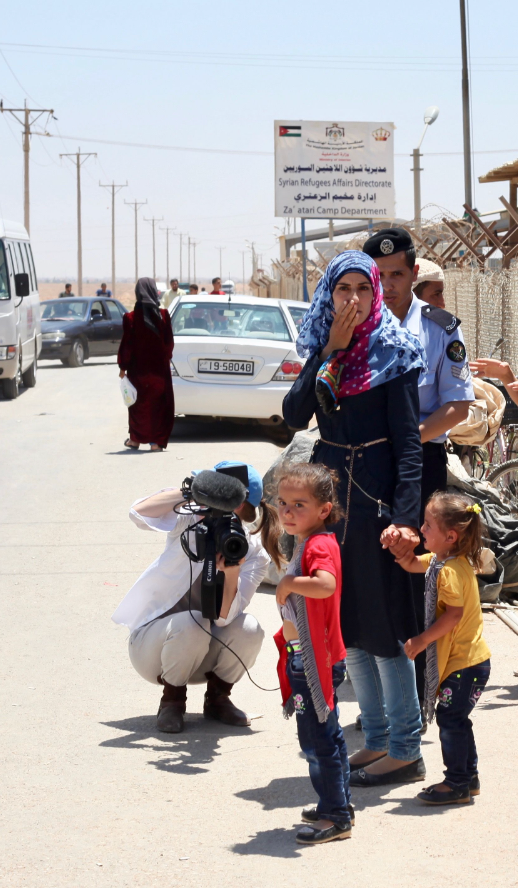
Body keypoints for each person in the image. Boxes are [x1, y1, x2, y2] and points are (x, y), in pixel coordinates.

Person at [283, 250, 428, 787]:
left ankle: (407, 747)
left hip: (376, 506)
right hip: (331, 505)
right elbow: (294, 417)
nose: (353, 300)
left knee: (385, 626)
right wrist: (330, 351)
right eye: (343, 289)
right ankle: (378, 738)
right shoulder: (325, 350)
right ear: (329, 294)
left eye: (362, 290)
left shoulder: (396, 352)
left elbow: (410, 446)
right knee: (348, 626)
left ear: (375, 295)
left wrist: (407, 519)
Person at [363, 228, 474, 709]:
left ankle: (419, 687)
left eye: (396, 275)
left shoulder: (441, 327)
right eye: (378, 276)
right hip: (365, 464)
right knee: (370, 569)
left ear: (412, 274)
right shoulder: (351, 325)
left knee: (416, 574)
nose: (386, 285)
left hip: (421, 461)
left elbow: (458, 407)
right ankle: (377, 684)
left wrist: (406, 438)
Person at [112, 462, 282, 733]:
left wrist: (232, 572)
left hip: (202, 654)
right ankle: (172, 701)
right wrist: (191, 492)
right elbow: (137, 513)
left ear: (243, 508)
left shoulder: (250, 552)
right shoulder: (188, 520)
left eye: (232, 504)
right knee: (194, 623)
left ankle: (218, 699)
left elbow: (225, 620)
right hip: (152, 651)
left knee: (250, 628)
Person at [396, 493, 491, 806]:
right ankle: (469, 777)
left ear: (451, 536)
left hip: (465, 665)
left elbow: (453, 615)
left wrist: (422, 640)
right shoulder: (443, 561)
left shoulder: (449, 571)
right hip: (469, 663)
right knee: (457, 720)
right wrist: (401, 549)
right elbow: (412, 563)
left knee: (451, 720)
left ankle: (457, 782)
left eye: (427, 525)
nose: (422, 529)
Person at [274, 463, 351, 845]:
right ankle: (337, 804)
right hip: (307, 655)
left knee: (318, 741)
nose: (288, 512)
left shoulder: (319, 544)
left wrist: (288, 582)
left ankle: (336, 816)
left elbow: (325, 585)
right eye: (283, 503)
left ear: (324, 510)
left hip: (314, 660)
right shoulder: (308, 539)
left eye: (299, 504)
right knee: (328, 736)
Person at [118, 278, 175, 452]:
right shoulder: (163, 316)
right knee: (158, 406)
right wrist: (163, 359)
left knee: (138, 406)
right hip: (159, 372)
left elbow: (127, 345)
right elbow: (169, 344)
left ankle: (135, 440)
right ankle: (156, 443)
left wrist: (123, 367)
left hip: (138, 372)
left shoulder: (130, 318)